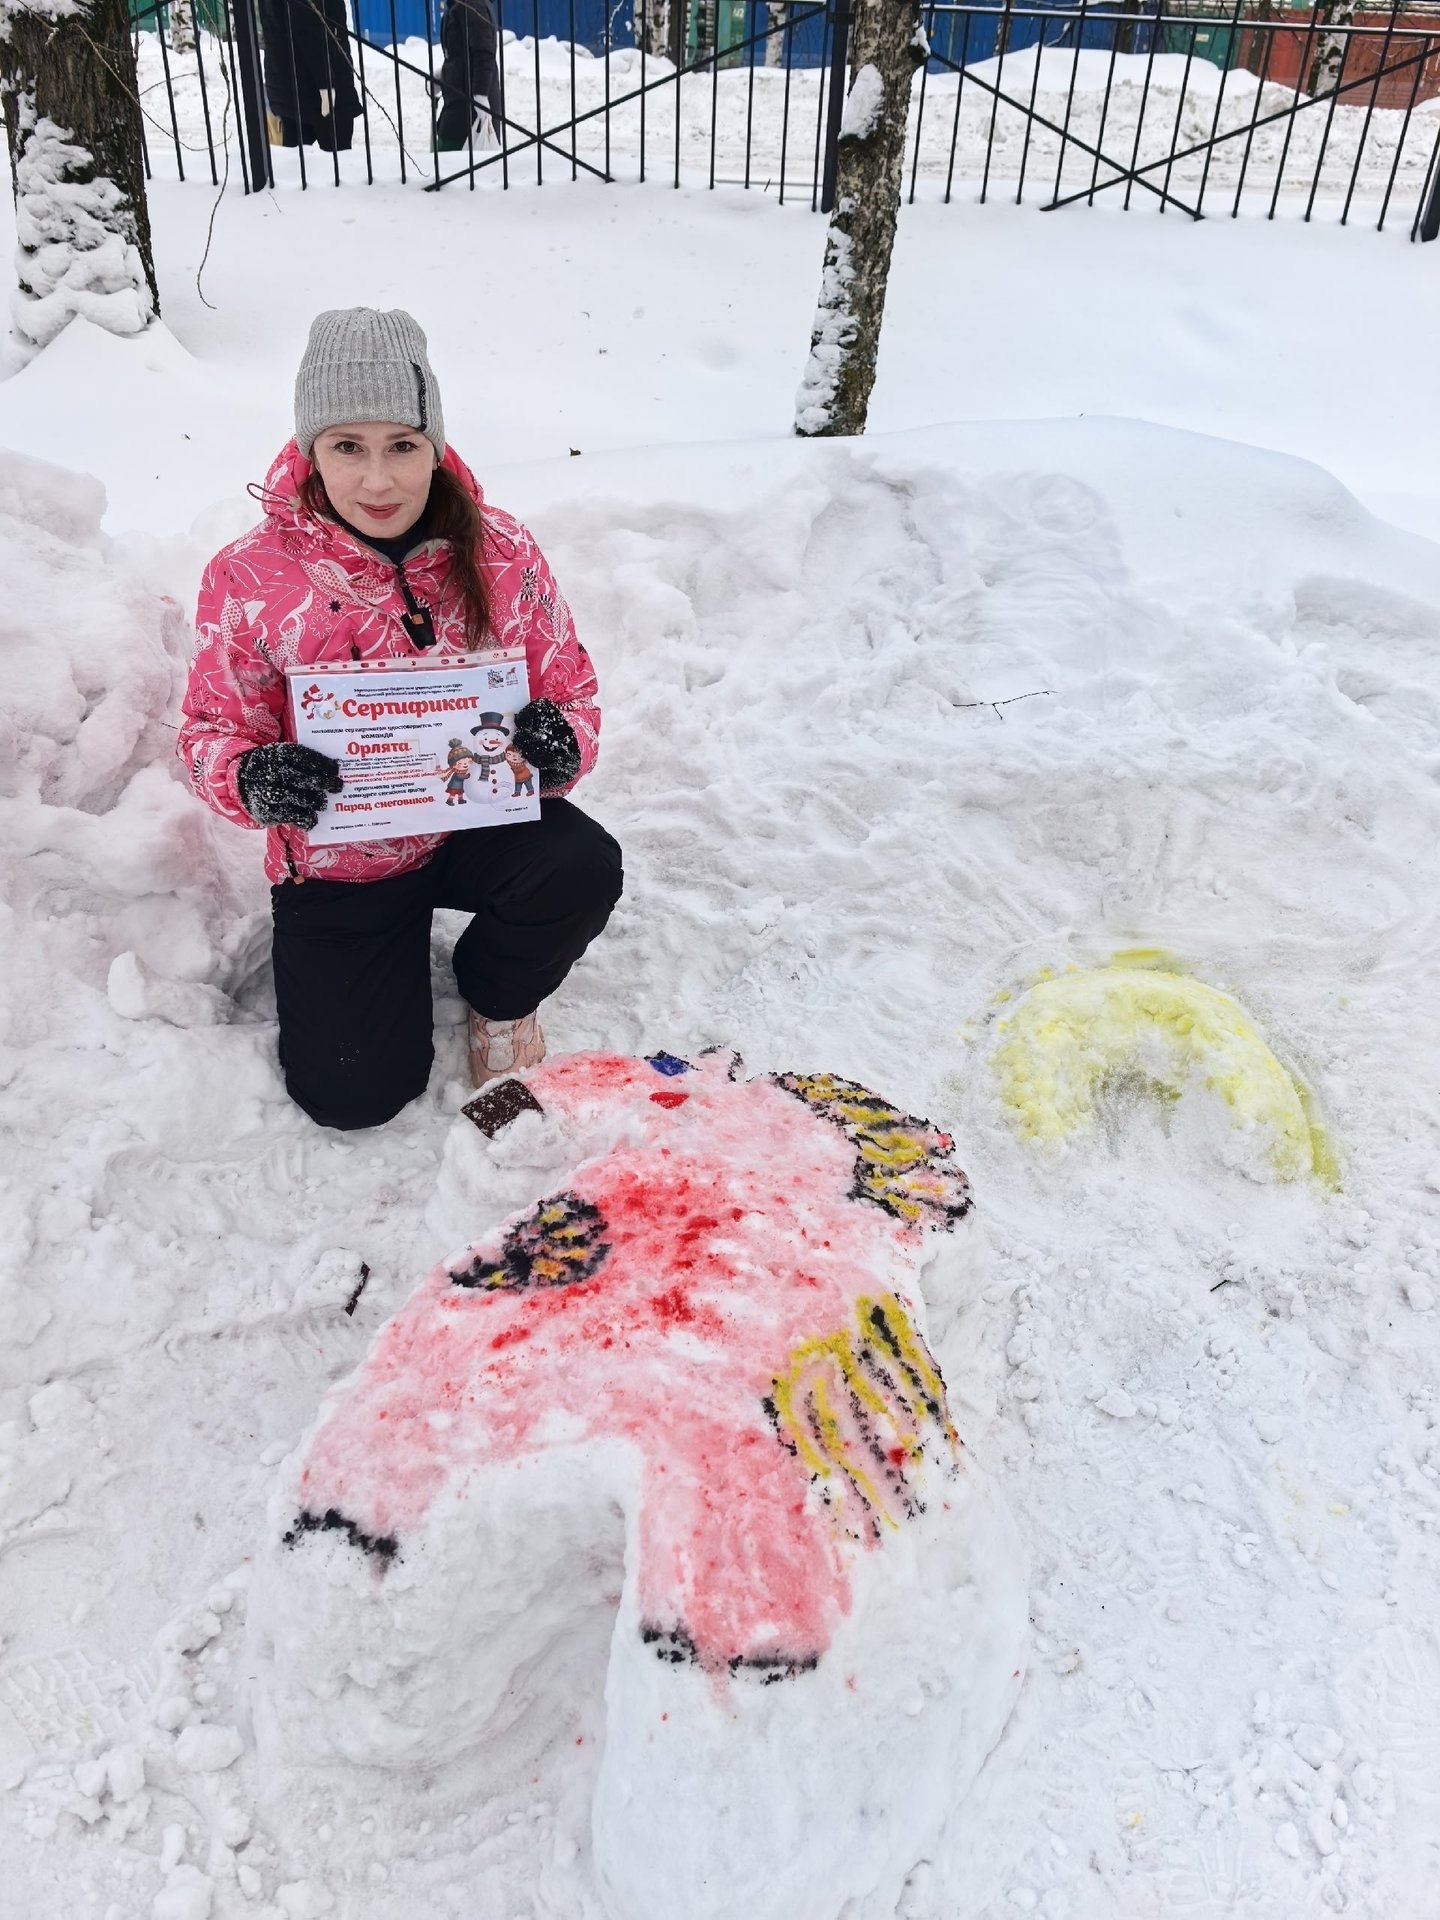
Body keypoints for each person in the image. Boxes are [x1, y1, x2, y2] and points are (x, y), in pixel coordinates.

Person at [179, 307, 623, 1131]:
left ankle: (496, 993)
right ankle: (376, 966)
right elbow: (210, 728)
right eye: (348, 447)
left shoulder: (502, 551)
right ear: (311, 449)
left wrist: (558, 745)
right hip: (345, 864)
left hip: (473, 825)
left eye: (402, 446)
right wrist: (251, 777)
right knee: (353, 1097)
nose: (377, 482)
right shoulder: (250, 576)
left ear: (435, 446)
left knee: (580, 863)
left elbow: (570, 688)